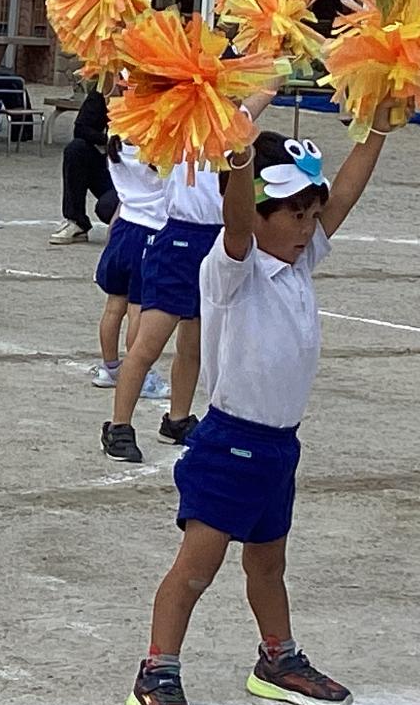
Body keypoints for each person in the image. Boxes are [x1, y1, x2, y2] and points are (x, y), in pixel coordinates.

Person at [127, 121, 391, 705]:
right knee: (196, 566)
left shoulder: (299, 261)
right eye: (292, 215)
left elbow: (344, 195)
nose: (306, 227)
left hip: (278, 446)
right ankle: (157, 672)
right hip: (229, 444)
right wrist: (240, 160)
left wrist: (378, 129)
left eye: (310, 214)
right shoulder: (232, 267)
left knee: (269, 564)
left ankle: (277, 659)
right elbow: (240, 219)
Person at [102, 85, 280, 462]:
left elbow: (265, 90)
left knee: (193, 343)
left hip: (216, 241)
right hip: (178, 240)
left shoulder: (235, 125)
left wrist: (278, 43)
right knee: (148, 344)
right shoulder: (177, 124)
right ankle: (119, 426)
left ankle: (177, 418)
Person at [90, 136, 168, 401]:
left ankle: (109, 367)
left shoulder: (117, 143)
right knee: (139, 310)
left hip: (123, 225)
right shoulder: (158, 149)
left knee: (114, 306)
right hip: (151, 231)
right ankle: (140, 374)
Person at [50, 86, 118, 244]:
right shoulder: (107, 86)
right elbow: (81, 129)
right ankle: (76, 222)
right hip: (113, 170)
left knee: (108, 207)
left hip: (145, 178)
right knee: (77, 149)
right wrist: (108, 140)